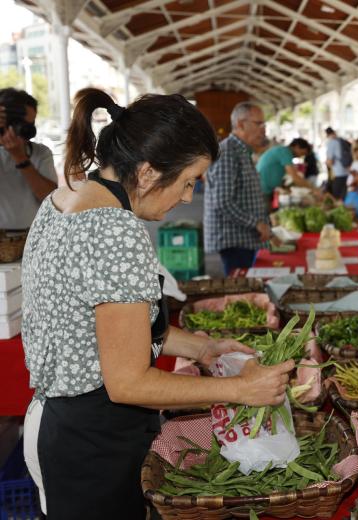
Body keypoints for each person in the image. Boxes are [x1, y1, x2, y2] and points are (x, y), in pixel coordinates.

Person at [21, 88, 295, 520]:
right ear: (148, 172)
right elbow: (128, 382)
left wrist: (202, 349)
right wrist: (242, 389)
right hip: (93, 442)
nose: (188, 197)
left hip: (58, 426)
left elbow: (103, 332)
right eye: (187, 181)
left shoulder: (63, 200)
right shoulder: (116, 232)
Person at [204, 102, 271, 275]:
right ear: (241, 124)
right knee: (240, 289)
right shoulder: (228, 153)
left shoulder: (241, 151)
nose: (263, 129)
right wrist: (256, 223)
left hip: (243, 238)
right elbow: (223, 202)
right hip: (234, 239)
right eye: (259, 123)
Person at [0, 88, 57, 229]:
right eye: (22, 123)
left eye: (31, 124)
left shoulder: (40, 153)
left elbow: (49, 200)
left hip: (30, 237)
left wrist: (20, 157)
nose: (28, 130)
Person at [256, 137, 312, 205]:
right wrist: (314, 190)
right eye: (302, 153)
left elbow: (276, 171)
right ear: (297, 147)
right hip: (261, 189)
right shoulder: (285, 152)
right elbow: (295, 177)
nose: (300, 156)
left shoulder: (283, 151)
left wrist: (283, 186)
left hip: (265, 189)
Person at [325, 127, 349, 199]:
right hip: (346, 171)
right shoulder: (341, 141)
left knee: (335, 196)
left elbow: (330, 161)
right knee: (343, 195)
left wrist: (327, 163)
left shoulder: (332, 142)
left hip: (337, 173)